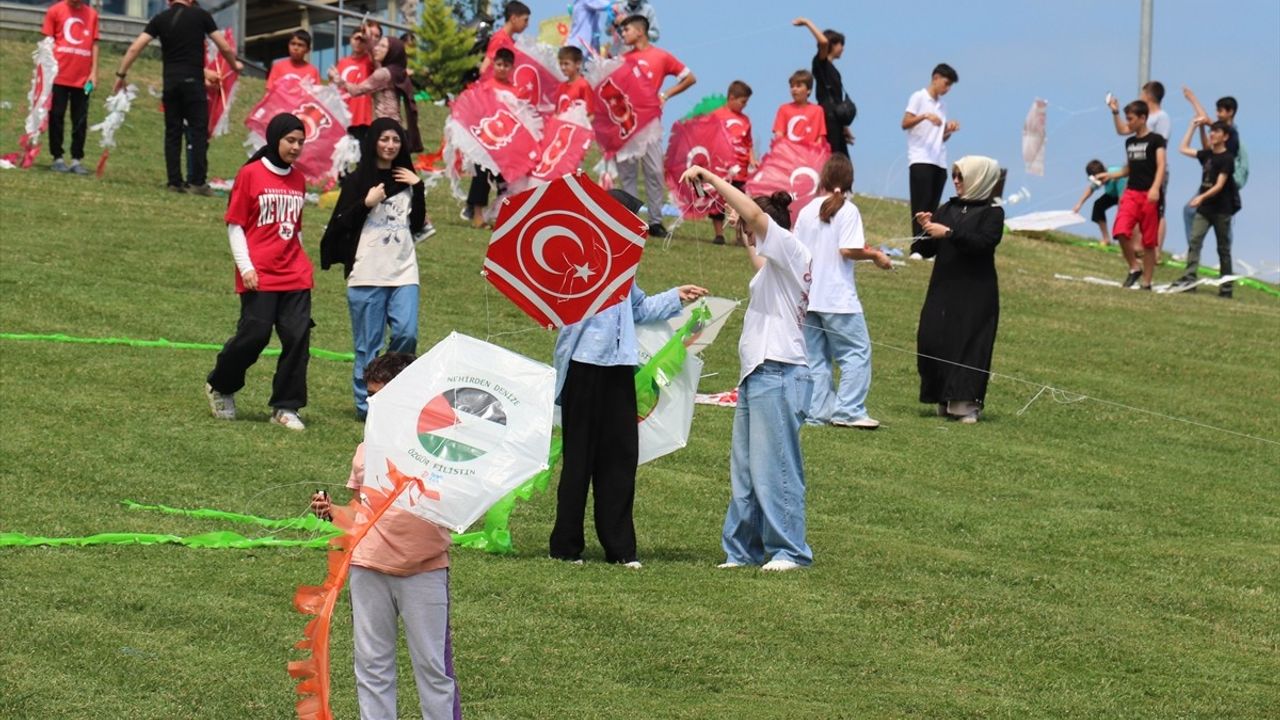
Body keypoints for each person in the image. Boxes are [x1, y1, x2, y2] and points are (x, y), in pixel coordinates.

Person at [549, 190, 706, 567]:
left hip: (620, 368)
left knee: (620, 459)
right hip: (585, 368)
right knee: (578, 462)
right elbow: (565, 316)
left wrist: (675, 296)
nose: (640, 227)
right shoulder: (581, 261)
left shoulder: (624, 266)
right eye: (633, 219)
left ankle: (620, 549)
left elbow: (638, 308)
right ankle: (565, 546)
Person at [310, 352, 462, 720]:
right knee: (372, 666)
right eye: (370, 396)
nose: (372, 404)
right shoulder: (366, 450)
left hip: (424, 572)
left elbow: (456, 502)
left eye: (381, 395)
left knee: (433, 669)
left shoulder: (441, 448)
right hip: (367, 567)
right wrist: (332, 513)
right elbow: (359, 513)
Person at [680, 166, 814, 573]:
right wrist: (736, 221)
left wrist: (713, 179)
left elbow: (758, 222)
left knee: (776, 467)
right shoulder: (773, 267)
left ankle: (790, 550)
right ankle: (743, 550)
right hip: (759, 373)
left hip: (780, 371)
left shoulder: (792, 249)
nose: (749, 235)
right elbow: (756, 252)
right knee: (746, 469)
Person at [204, 113, 313, 431]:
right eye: (290, 141)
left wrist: (302, 263)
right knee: (255, 335)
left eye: (300, 143)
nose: (295, 148)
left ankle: (286, 406)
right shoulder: (250, 174)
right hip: (259, 273)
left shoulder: (299, 179)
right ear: (275, 138)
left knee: (297, 338)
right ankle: (221, 385)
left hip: (294, 274)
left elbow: (295, 229)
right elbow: (235, 224)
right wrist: (246, 267)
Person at [320, 118, 431, 420]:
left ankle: (396, 395)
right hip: (366, 274)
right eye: (384, 139)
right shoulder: (358, 180)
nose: (390, 145)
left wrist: (418, 187)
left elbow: (418, 224)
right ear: (373, 142)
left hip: (404, 271)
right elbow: (340, 223)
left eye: (396, 140)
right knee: (367, 347)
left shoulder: (407, 178)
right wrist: (366, 203)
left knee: (407, 334)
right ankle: (366, 408)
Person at [796, 155, 892, 430]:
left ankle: (817, 412)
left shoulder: (806, 211)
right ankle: (849, 410)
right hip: (837, 298)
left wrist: (865, 249)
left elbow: (800, 251)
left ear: (823, 179)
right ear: (849, 181)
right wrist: (875, 256)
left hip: (808, 295)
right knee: (856, 352)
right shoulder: (848, 210)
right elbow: (847, 250)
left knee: (815, 357)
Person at [113, 0, 240, 195]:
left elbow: (135, 48)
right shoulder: (201, 16)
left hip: (170, 83)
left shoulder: (159, 19)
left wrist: (121, 75)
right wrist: (233, 65)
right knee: (198, 131)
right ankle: (197, 182)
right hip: (193, 81)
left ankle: (174, 182)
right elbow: (223, 45)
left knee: (172, 132)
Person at [912, 156, 1004, 425]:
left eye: (961, 177)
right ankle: (942, 396)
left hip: (976, 292)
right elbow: (924, 250)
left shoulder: (992, 213)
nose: (955, 181)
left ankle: (965, 403)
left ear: (978, 178)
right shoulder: (947, 208)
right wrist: (926, 229)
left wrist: (950, 234)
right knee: (933, 338)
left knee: (969, 342)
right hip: (943, 287)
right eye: (954, 176)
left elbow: (983, 243)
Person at [616, 14, 696, 238]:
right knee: (628, 174)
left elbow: (689, 77)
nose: (624, 34)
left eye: (627, 30)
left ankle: (655, 221)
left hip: (650, 124)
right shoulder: (622, 59)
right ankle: (628, 218)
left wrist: (666, 94)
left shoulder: (661, 57)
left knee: (653, 171)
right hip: (626, 125)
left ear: (640, 31)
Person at [1099, 100, 1166, 290]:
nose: (1128, 123)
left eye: (1131, 119)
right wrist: (1111, 174)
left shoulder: (1156, 140)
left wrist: (1155, 188)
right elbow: (1130, 167)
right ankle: (1134, 268)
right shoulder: (1130, 142)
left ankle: (1146, 282)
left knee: (1149, 241)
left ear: (1143, 118)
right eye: (1127, 118)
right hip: (1131, 192)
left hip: (1150, 195)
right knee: (1120, 230)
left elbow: (1161, 165)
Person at [1173, 119, 1239, 297]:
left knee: (1223, 249)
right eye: (1211, 131)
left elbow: (1219, 185)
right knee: (1195, 241)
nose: (1212, 134)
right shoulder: (1207, 155)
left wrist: (1200, 197)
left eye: (1216, 132)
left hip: (1221, 210)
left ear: (1225, 136)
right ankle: (1189, 280)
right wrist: (1192, 127)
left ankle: (1226, 287)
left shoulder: (1227, 159)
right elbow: (1183, 148)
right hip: (1205, 209)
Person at [332, 36, 424, 153]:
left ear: (392, 52)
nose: (377, 48)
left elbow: (356, 91)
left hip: (385, 128)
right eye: (378, 45)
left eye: (383, 46)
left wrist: (339, 80)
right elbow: (376, 62)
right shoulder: (396, 71)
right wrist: (368, 41)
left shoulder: (383, 74)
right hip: (394, 126)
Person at [902, 64, 961, 243]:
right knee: (921, 204)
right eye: (946, 83)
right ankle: (917, 245)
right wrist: (925, 116)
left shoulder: (942, 105)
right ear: (936, 78)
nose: (947, 88)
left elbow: (940, 137)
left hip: (939, 159)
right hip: (920, 157)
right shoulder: (919, 97)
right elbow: (905, 123)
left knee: (933, 207)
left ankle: (927, 246)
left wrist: (948, 130)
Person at [1108, 81, 1170, 250]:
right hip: (1136, 170)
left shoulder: (1161, 117)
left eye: (1142, 93)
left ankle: (1155, 250)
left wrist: (1156, 186)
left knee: (1156, 212)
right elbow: (1122, 130)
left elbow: (1160, 144)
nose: (1140, 96)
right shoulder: (1136, 124)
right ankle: (1136, 247)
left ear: (1148, 95)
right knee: (1130, 208)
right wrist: (1115, 112)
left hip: (1154, 171)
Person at [42, 0, 99, 176]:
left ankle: (76, 159)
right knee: (56, 115)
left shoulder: (92, 15)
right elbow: (47, 42)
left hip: (83, 78)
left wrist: (94, 72)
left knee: (80, 118)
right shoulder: (55, 11)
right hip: (58, 75)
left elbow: (94, 43)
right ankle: (57, 157)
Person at [462, 48, 517, 229]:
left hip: (505, 143)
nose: (502, 68)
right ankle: (477, 215)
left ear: (512, 68)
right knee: (481, 178)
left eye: (506, 65)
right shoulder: (485, 86)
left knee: (505, 181)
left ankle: (499, 215)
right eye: (499, 64)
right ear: (494, 65)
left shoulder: (514, 91)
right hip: (485, 141)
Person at [793, 17, 852, 157]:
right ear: (833, 45)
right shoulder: (821, 63)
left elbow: (836, 98)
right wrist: (807, 23)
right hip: (827, 116)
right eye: (840, 44)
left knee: (842, 160)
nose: (842, 48)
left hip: (835, 119)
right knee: (832, 157)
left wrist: (843, 126)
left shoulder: (833, 70)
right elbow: (823, 42)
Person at [709, 80, 756, 246]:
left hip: (741, 169)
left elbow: (748, 143)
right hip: (720, 167)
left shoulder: (745, 120)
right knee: (717, 199)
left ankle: (740, 236)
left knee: (740, 200)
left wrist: (752, 159)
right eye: (742, 102)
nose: (744, 105)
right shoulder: (717, 115)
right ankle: (719, 234)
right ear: (731, 97)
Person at [1071, 159, 1127, 246]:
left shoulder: (1118, 176)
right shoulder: (1099, 178)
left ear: (1104, 173)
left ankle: (1128, 242)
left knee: (1124, 216)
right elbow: (1091, 189)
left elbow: (1122, 199)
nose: (1100, 183)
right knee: (1098, 206)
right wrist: (1079, 204)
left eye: (1101, 179)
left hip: (1126, 193)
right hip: (1112, 194)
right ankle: (1106, 239)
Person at [333, 26, 377, 128]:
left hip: (362, 118)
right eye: (356, 39)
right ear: (350, 39)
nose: (359, 42)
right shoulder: (342, 62)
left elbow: (375, 58)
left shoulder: (369, 61)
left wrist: (369, 38)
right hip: (342, 116)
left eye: (362, 40)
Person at [771, 70, 827, 147]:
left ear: (808, 90)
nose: (794, 89)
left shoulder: (817, 110)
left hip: (810, 154)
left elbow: (820, 138)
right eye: (792, 86)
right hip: (789, 154)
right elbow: (779, 135)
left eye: (798, 86)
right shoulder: (784, 109)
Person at [479, 0, 529, 74]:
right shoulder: (500, 39)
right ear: (514, 18)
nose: (527, 25)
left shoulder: (511, 41)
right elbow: (484, 69)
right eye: (525, 20)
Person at [555, 45, 593, 117]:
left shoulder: (584, 86)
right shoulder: (561, 86)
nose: (563, 67)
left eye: (566, 64)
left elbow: (590, 116)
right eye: (561, 64)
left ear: (578, 64)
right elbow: (557, 113)